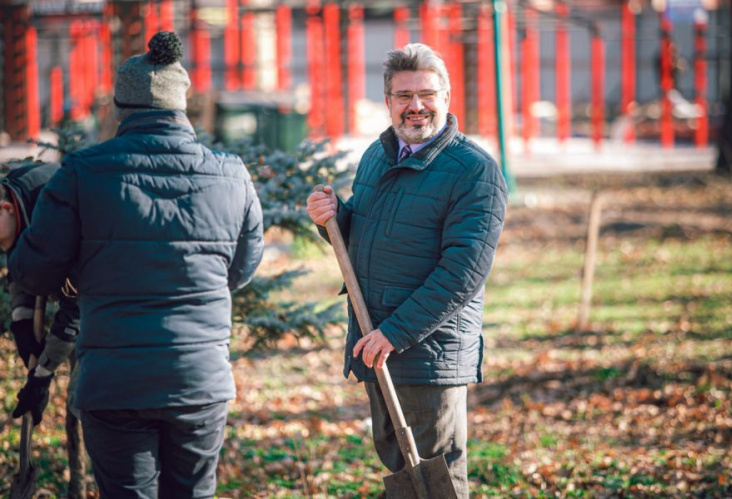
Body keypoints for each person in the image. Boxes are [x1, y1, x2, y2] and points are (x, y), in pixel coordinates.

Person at [9, 31, 264, 498]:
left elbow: (35, 271)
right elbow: (241, 271)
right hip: (200, 379)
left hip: (114, 383)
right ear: (181, 105)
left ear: (119, 106)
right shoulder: (232, 174)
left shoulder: (82, 172)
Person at [306, 43, 507, 497]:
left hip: (425, 352)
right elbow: (365, 234)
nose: (416, 106)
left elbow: (462, 271)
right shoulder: (377, 156)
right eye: (403, 96)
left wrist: (394, 333)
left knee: (434, 478)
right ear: (388, 102)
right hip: (375, 342)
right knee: (400, 470)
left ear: (447, 97)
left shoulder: (473, 172)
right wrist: (333, 217)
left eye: (427, 94)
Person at [1, 162, 80, 426]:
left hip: (111, 312)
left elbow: (74, 310)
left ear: (6, 209)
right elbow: (18, 264)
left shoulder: (58, 215)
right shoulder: (16, 194)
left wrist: (42, 375)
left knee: (84, 402)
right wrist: (21, 322)